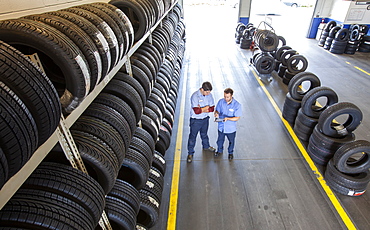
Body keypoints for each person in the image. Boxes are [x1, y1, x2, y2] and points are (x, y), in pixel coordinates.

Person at [187, 81, 216, 163]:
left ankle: (206, 146)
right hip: (195, 121)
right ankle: (190, 153)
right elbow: (196, 111)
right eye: (207, 92)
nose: (208, 94)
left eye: (209, 92)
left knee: (204, 134)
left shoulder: (209, 95)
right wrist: (205, 108)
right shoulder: (195, 96)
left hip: (205, 119)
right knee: (193, 137)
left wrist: (202, 109)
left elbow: (212, 108)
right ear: (202, 89)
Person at [214, 88, 242, 160]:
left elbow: (237, 117)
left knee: (231, 141)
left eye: (227, 97)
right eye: (225, 96)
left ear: (231, 96)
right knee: (220, 140)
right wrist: (216, 113)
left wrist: (228, 119)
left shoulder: (237, 105)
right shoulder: (221, 102)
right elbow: (217, 110)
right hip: (221, 127)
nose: (226, 98)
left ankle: (230, 153)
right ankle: (219, 151)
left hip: (230, 128)